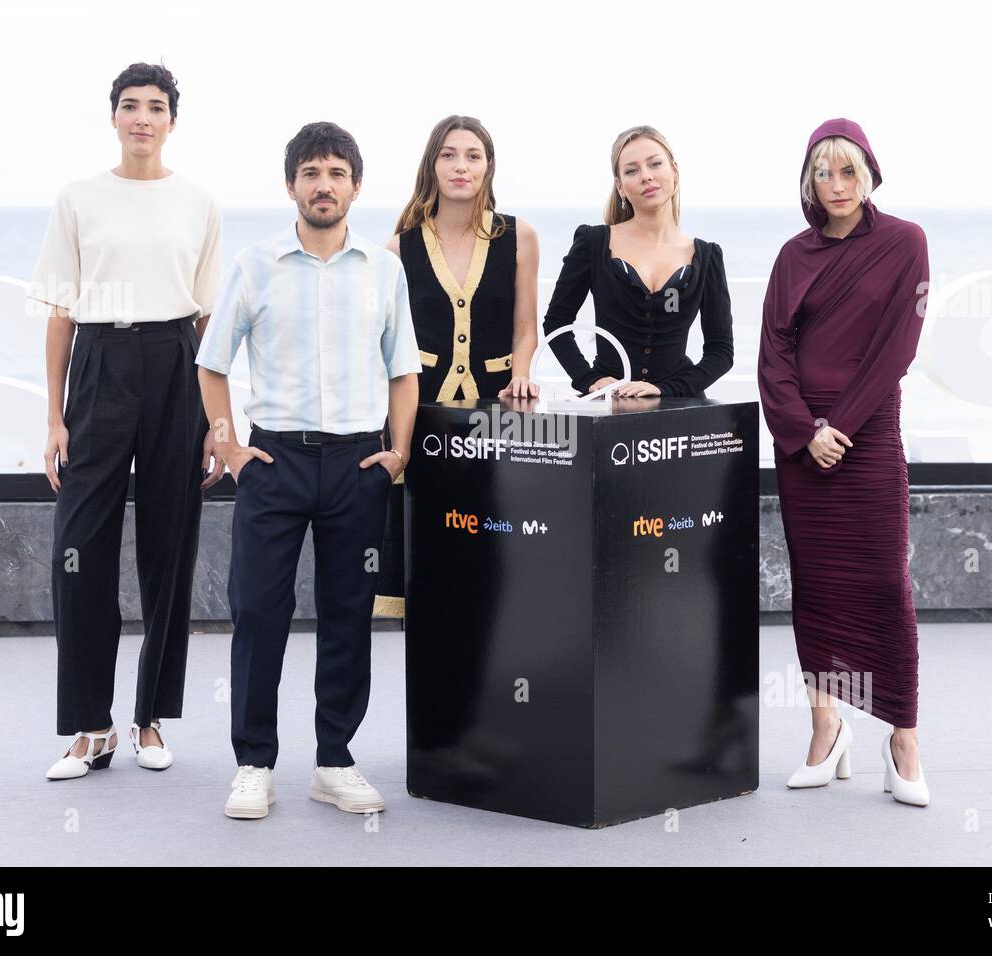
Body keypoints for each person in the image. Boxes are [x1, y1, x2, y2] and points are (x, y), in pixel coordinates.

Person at [195, 121, 421, 820]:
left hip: (358, 461)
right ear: (290, 184)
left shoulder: (383, 269)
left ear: (356, 185)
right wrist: (229, 448)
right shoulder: (255, 264)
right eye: (311, 173)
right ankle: (253, 763)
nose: (324, 186)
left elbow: (403, 370)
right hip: (274, 460)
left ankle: (335, 761)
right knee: (259, 611)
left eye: (337, 173)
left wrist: (399, 451)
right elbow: (212, 362)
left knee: (349, 615)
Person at [34, 62, 223, 781]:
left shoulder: (199, 201)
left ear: (174, 119)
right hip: (101, 358)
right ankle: (91, 725)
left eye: (156, 106)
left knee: (169, 547)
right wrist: (53, 418)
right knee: (77, 551)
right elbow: (58, 313)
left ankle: (148, 720)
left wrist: (215, 418)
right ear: (112, 116)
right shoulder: (78, 198)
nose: (142, 117)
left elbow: (208, 317)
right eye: (130, 105)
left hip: (176, 361)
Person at [756, 118, 931, 807]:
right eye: (822, 173)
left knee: (887, 583)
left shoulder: (904, 243)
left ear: (869, 175)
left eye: (847, 171)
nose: (835, 185)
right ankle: (826, 730)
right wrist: (803, 433)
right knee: (818, 587)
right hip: (803, 447)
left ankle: (902, 737)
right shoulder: (792, 255)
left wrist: (841, 428)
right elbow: (772, 357)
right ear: (808, 181)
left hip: (867, 436)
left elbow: (899, 346)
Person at [372, 114, 540, 618]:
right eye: (448, 155)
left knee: (490, 544)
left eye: (473, 156)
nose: (460, 166)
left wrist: (522, 371)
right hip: (421, 417)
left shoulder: (519, 236)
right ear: (433, 164)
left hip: (496, 413)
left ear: (489, 167)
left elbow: (525, 325)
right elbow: (387, 343)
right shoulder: (399, 246)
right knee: (425, 546)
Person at [542, 125, 733, 399]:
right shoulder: (593, 242)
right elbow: (557, 323)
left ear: (675, 171)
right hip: (609, 405)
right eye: (632, 170)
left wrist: (664, 389)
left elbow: (721, 351)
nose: (646, 176)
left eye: (655, 164)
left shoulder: (707, 256)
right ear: (620, 185)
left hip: (678, 409)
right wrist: (589, 379)